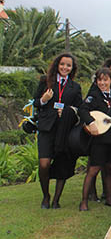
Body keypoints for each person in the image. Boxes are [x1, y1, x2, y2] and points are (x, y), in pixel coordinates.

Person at [33, 53, 82, 209]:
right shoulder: (45, 81)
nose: (65, 68)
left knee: (62, 163)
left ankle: (56, 200)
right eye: (62, 64)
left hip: (64, 129)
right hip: (47, 128)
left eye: (68, 65)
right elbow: (36, 102)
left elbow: (80, 109)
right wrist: (44, 100)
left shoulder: (75, 87)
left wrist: (68, 111)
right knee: (44, 164)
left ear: (72, 68)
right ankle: (45, 195)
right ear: (57, 65)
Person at [79, 68, 111, 211]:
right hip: (99, 139)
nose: (102, 83)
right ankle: (84, 201)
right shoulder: (93, 96)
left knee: (110, 168)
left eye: (105, 80)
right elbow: (82, 110)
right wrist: (90, 123)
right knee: (94, 169)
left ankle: (109, 199)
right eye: (99, 80)